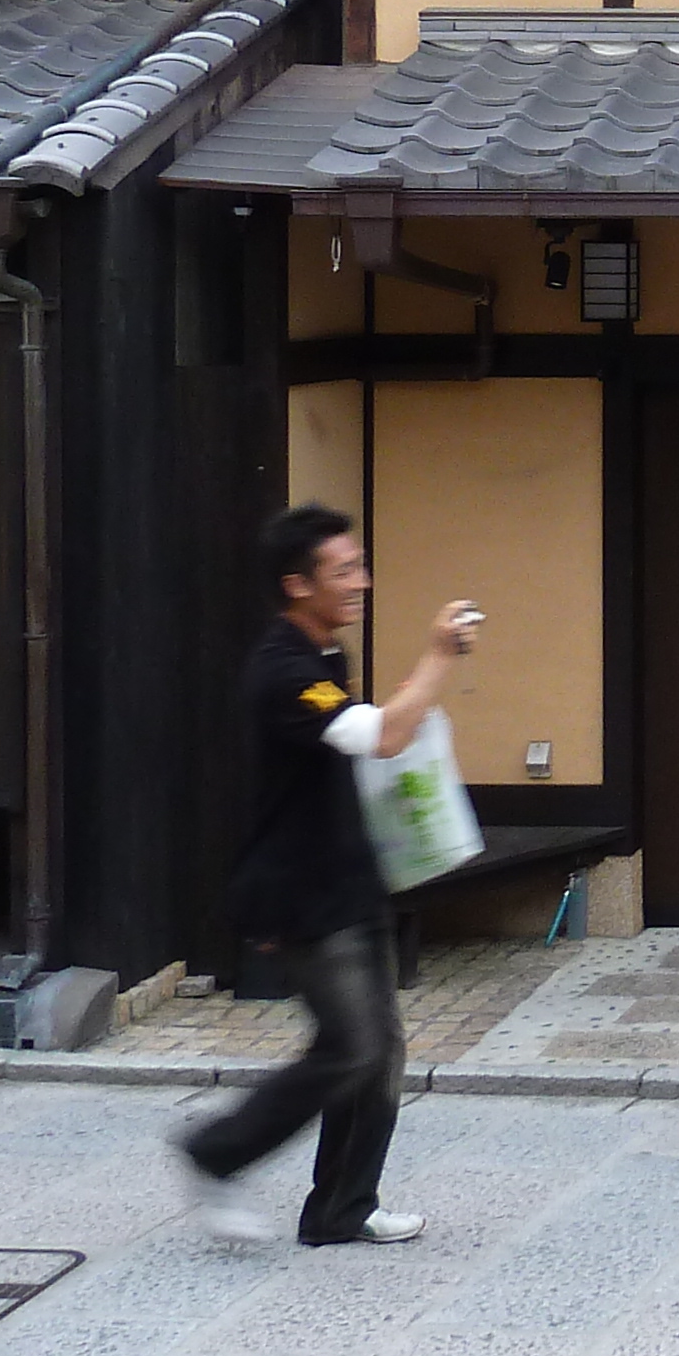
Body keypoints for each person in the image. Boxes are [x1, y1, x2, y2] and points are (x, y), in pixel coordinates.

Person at [176, 504, 478, 1248]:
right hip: (302, 898)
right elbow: (375, 736)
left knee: (379, 1050)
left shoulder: (323, 658)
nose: (361, 582)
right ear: (296, 585)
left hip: (349, 881)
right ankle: (214, 1155)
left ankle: (343, 1207)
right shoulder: (282, 672)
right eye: (343, 572)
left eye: (360, 566)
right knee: (350, 1046)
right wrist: (438, 658)